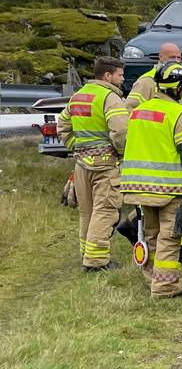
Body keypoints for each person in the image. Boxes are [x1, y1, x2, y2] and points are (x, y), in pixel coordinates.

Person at [119, 62, 182, 298]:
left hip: (138, 187)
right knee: (171, 236)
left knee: (151, 234)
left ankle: (153, 278)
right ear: (178, 87)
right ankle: (166, 287)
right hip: (169, 189)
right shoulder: (179, 114)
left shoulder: (138, 112)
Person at [57, 56, 129, 271]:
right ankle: (97, 262)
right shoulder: (110, 98)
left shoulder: (78, 97)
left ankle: (86, 255)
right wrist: (122, 154)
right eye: (120, 74)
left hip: (81, 165)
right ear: (107, 76)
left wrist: (78, 148)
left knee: (86, 212)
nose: (122, 78)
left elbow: (63, 126)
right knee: (105, 210)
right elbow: (121, 131)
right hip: (105, 165)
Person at [126, 43, 182, 109]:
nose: (176, 61)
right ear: (160, 57)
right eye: (172, 57)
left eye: (179, 58)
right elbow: (130, 108)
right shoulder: (147, 81)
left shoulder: (178, 79)